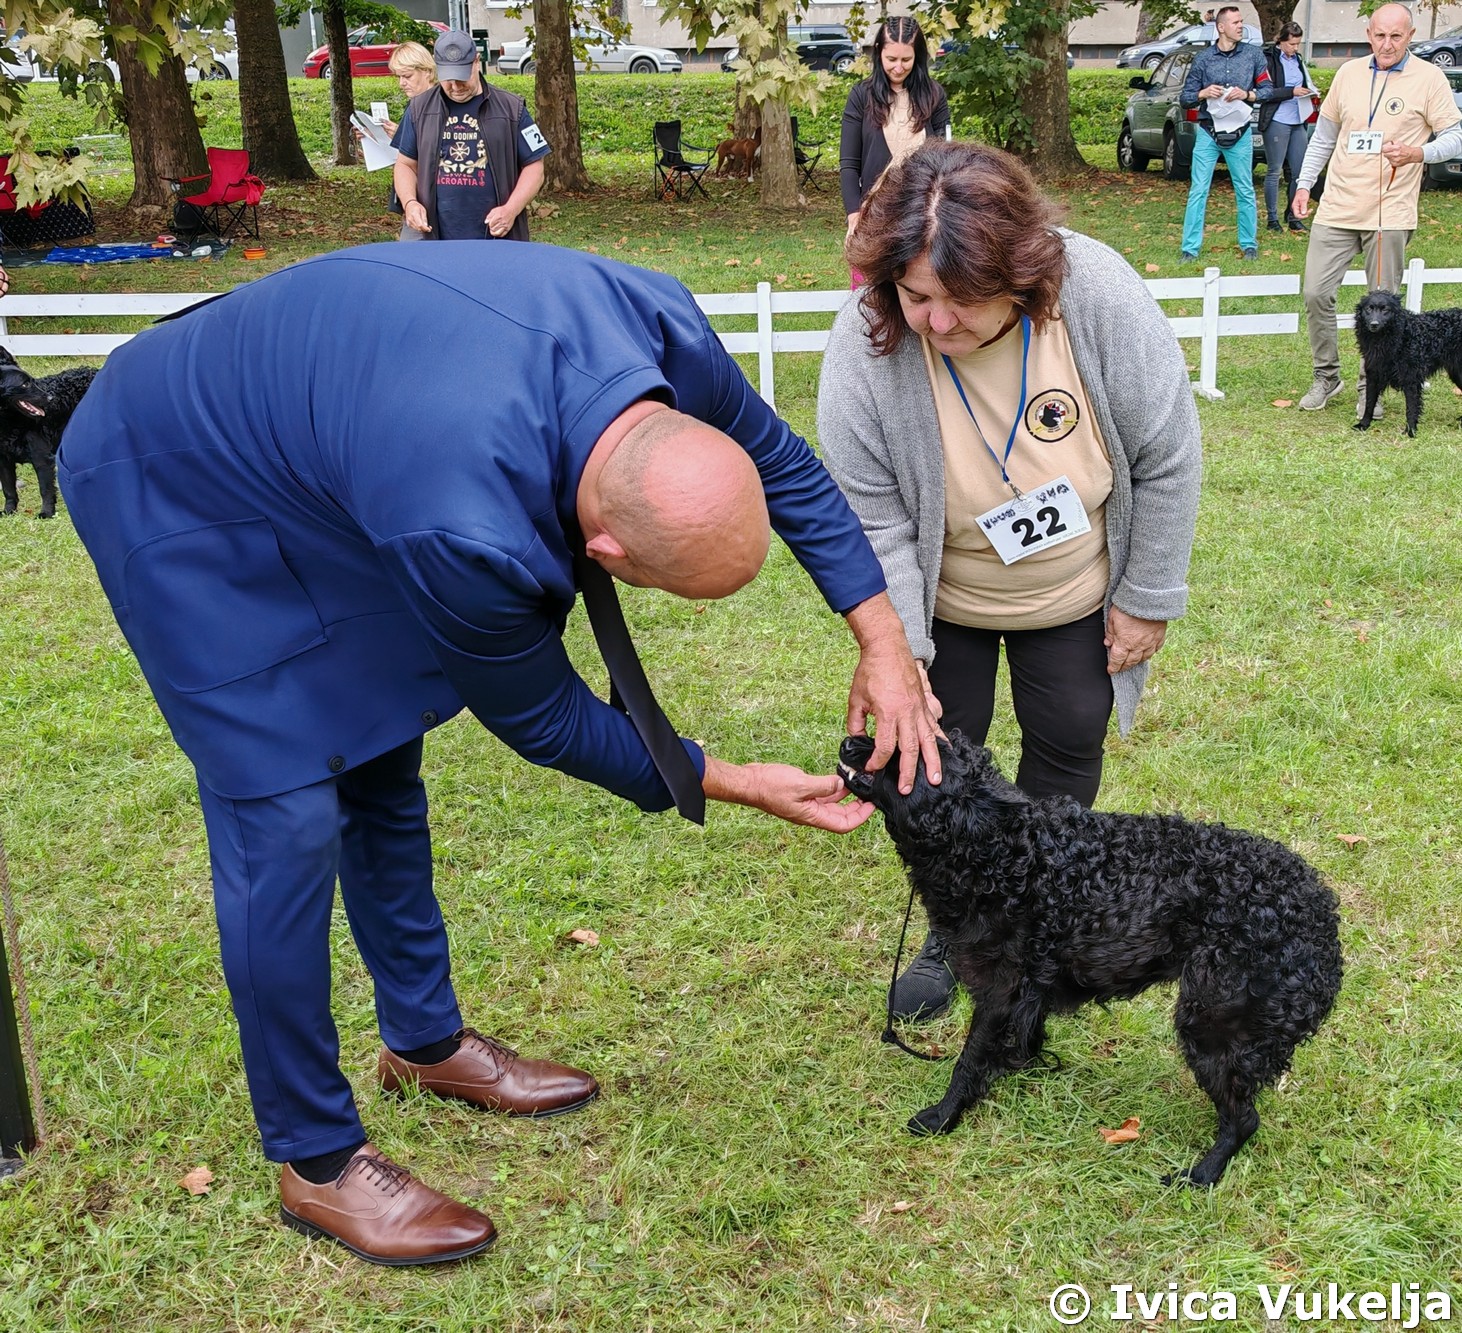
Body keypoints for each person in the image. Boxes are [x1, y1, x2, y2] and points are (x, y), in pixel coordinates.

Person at [58, 241, 940, 1266]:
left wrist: (883, 639)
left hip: (339, 438)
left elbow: (780, 460)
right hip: (168, 469)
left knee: (380, 752)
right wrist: (734, 781)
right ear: (603, 553)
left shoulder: (659, 325)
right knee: (285, 814)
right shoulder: (462, 526)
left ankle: (422, 1042)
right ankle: (316, 1158)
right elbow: (548, 720)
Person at [818, 141, 1202, 1022]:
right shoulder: (866, 338)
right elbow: (873, 516)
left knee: (1070, 731)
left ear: (1020, 276)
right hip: (942, 591)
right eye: (916, 295)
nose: (936, 321)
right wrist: (897, 648)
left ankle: (1039, 918)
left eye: (961, 298)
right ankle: (953, 928)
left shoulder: (1096, 292)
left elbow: (1168, 454)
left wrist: (1146, 596)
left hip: (1071, 588)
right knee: (936, 752)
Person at [1291, 1, 1462, 416]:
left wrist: (1418, 153)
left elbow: (1455, 136)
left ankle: (1372, 387)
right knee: (1315, 293)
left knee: (1382, 307)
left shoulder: (1430, 78)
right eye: (1380, 35)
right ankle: (1326, 376)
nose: (1387, 44)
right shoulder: (1348, 73)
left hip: (1390, 212)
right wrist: (1304, 183)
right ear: (1368, 35)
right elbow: (1324, 136)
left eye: (1396, 36)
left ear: (1410, 36)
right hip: (1337, 205)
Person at [393, 29, 549, 241]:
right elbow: (405, 165)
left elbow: (535, 167)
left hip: (497, 236)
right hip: (434, 236)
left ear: (476, 62)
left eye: (462, 77)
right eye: (448, 79)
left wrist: (510, 210)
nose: (455, 86)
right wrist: (410, 202)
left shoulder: (513, 109)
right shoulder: (418, 109)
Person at [1179, 5, 1276, 262]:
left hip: (1240, 132)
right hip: (1208, 132)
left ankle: (1249, 245)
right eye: (1235, 22)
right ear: (1221, 27)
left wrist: (1248, 94)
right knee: (1198, 190)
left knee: (1245, 189)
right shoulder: (1203, 59)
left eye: (1241, 21)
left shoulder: (1254, 55)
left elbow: (1268, 90)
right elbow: (1185, 98)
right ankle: (1189, 249)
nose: (1240, 26)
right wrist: (1203, 93)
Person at [839, 16, 950, 239]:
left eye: (906, 59)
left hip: (921, 216)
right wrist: (854, 213)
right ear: (878, 52)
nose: (898, 68)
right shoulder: (861, 95)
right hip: (874, 214)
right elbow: (849, 164)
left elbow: (946, 159)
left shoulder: (935, 95)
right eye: (891, 59)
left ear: (918, 56)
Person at [351, 41, 437, 242]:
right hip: (415, 198)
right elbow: (405, 159)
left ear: (427, 72)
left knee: (412, 252)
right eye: (398, 77)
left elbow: (434, 153)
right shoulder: (414, 105)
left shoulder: (437, 106)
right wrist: (375, 140)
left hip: (431, 198)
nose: (401, 83)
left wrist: (401, 136)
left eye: (407, 76)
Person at [1259, 22, 1318, 234]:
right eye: (1291, 44)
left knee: (1299, 171)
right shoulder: (1269, 59)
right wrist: (1291, 91)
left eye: (1298, 44)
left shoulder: (1298, 59)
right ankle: (1272, 218)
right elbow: (1265, 92)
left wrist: (1310, 92)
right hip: (1278, 118)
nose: (1295, 48)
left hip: (1298, 118)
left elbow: (1304, 83)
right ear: (1281, 41)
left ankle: (1293, 215)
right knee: (1274, 170)